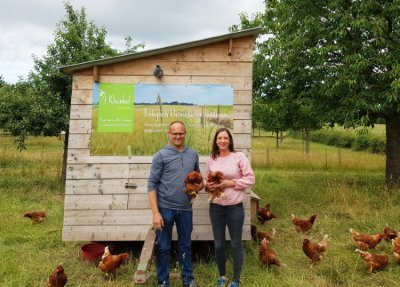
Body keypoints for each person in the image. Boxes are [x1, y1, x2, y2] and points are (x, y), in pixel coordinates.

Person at [148, 121, 203, 287]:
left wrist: (200, 186)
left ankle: (187, 279)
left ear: (185, 133)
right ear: (169, 134)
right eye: (174, 133)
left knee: (185, 246)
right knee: (164, 247)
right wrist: (156, 213)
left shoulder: (193, 154)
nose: (178, 136)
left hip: (186, 209)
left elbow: (199, 179)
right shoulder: (161, 155)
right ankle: (163, 281)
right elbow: (151, 185)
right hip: (165, 209)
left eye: (181, 133)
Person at [204, 128, 255, 287]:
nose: (223, 141)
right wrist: (209, 186)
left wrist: (230, 183)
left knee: (235, 244)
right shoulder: (212, 158)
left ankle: (236, 280)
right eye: (219, 138)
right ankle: (222, 276)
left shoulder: (239, 157)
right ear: (216, 141)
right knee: (219, 244)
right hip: (216, 208)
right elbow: (206, 182)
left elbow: (250, 179)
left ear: (230, 140)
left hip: (235, 208)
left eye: (225, 138)